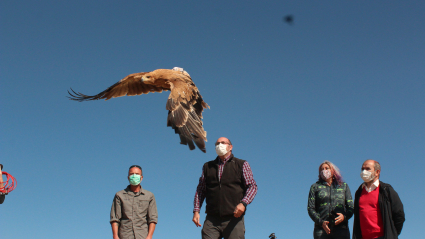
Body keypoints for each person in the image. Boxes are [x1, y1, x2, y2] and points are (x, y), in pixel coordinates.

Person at [192, 137, 258, 239]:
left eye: (223, 143)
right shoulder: (207, 166)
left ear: (230, 147)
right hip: (212, 218)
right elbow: (201, 190)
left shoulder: (241, 164)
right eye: (217, 144)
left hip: (234, 218)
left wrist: (243, 203)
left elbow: (252, 186)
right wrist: (196, 211)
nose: (219, 145)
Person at [352, 160, 405, 239]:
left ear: (377, 172)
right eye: (362, 169)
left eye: (368, 169)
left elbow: (399, 214)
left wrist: (392, 234)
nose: (364, 172)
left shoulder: (386, 190)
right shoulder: (359, 192)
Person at [308, 160, 354, 239]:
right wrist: (321, 222)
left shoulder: (343, 186)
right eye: (322, 169)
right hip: (321, 230)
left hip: (341, 230)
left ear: (333, 171)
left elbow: (351, 207)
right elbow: (310, 208)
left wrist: (344, 217)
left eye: (327, 168)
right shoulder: (315, 187)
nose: (324, 171)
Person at [110, 165, 158, 239]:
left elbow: (152, 218)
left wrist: (149, 236)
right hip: (125, 235)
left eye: (137, 174)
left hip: (142, 236)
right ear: (128, 177)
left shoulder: (149, 196)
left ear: (141, 178)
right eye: (132, 174)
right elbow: (115, 218)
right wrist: (115, 235)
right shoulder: (119, 195)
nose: (134, 176)